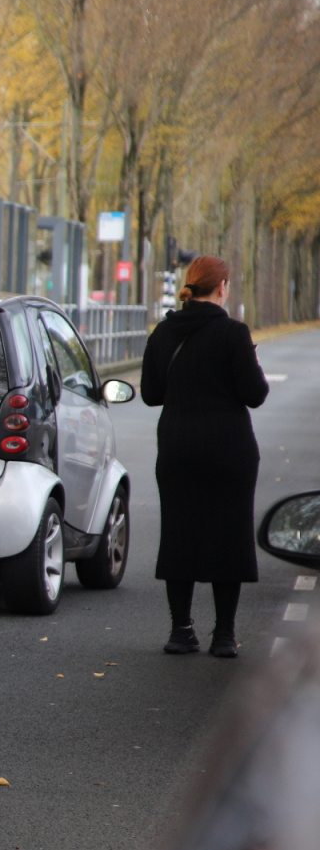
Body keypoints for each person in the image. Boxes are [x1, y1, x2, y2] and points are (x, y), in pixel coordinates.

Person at [141, 255, 270, 657]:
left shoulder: (163, 332)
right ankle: (225, 635)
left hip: (178, 446)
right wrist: (253, 359)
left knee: (180, 533)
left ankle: (181, 631)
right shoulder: (234, 334)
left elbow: (149, 394)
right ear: (222, 288)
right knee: (228, 534)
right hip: (229, 448)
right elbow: (255, 394)